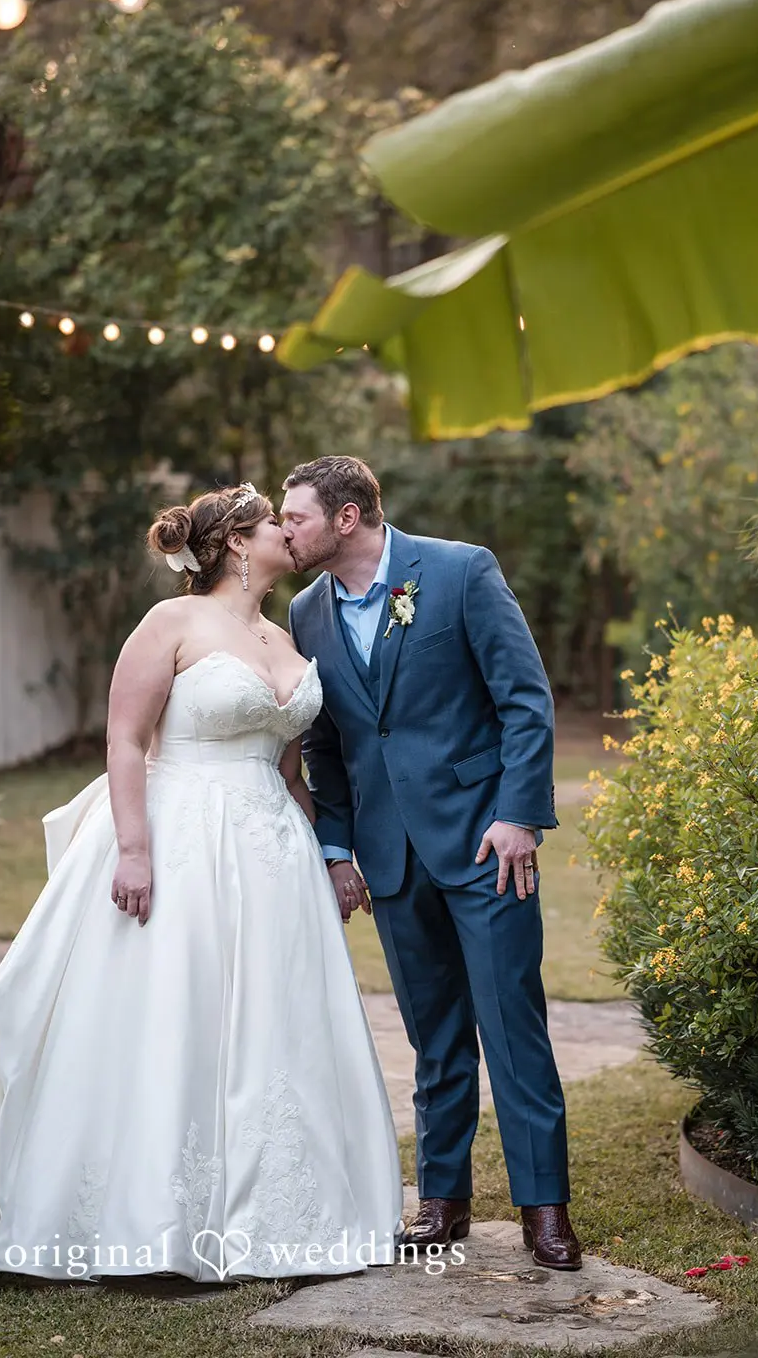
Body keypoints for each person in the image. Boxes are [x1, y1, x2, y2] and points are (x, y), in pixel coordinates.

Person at [0, 483, 402, 1283]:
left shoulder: (282, 633)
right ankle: (147, 1221)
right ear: (233, 544)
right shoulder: (171, 623)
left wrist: (332, 856)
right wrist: (135, 849)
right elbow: (124, 739)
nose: (291, 537)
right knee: (171, 1015)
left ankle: (271, 1212)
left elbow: (291, 770)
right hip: (181, 832)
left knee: (271, 1024)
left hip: (274, 854)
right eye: (273, 527)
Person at [282, 456, 581, 1271]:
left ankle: (543, 1211)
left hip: (488, 848)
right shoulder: (306, 612)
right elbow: (328, 743)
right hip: (390, 858)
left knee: (512, 1030)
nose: (285, 530)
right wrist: (339, 846)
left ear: (347, 518)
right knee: (434, 1038)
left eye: (297, 517)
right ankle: (442, 1201)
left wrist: (518, 814)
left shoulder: (457, 572)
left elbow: (524, 698)